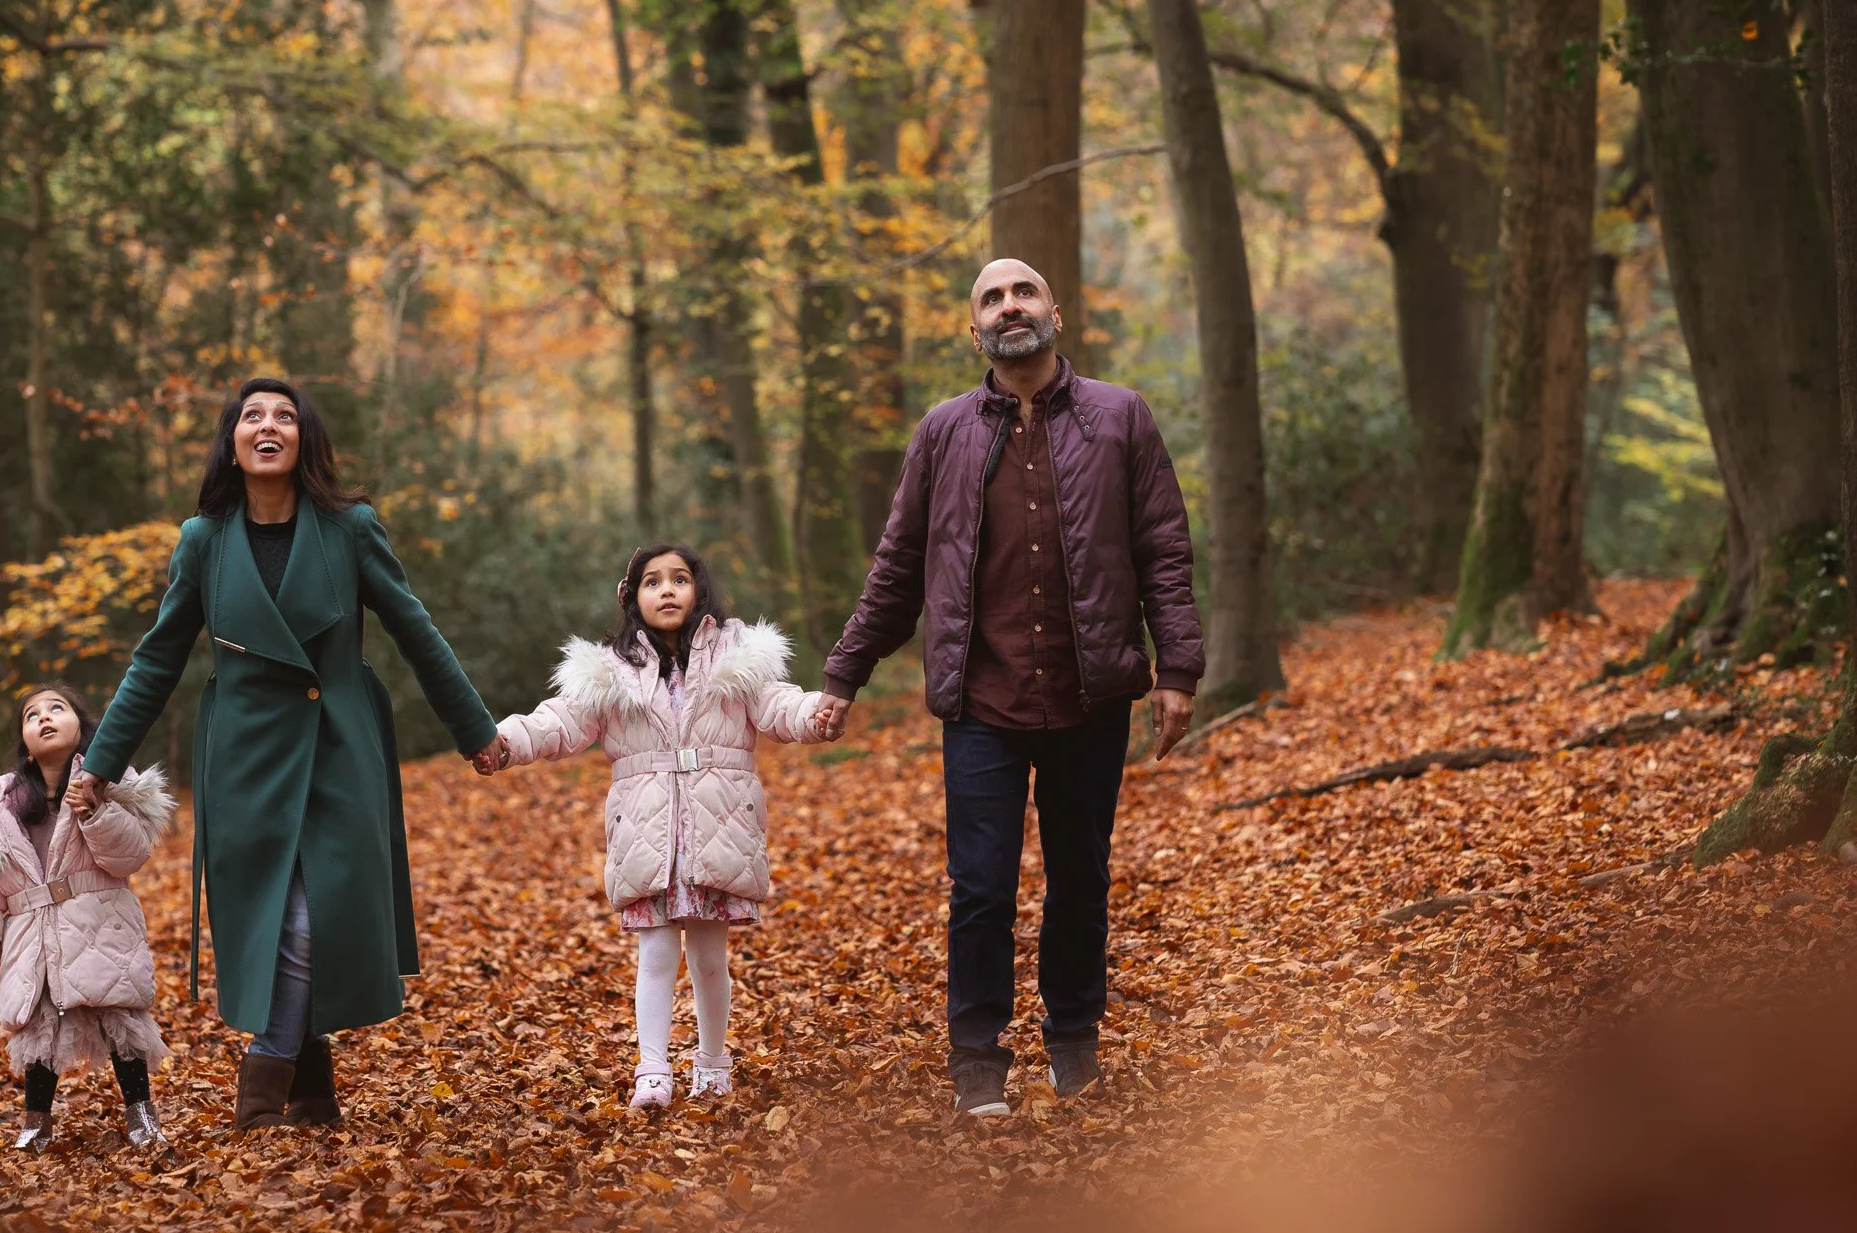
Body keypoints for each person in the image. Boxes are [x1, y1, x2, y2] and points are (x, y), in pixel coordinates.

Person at [814, 258, 1203, 1115]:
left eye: (1023, 291)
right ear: (975, 329)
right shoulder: (943, 432)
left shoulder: (1120, 416)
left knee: (1080, 879)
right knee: (982, 887)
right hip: (981, 701)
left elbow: (1162, 549)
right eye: (991, 297)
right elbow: (898, 568)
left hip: (1089, 695)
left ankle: (1074, 1044)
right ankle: (978, 1061)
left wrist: (1177, 666)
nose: (1009, 305)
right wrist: (845, 672)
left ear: (1055, 312)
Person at [70, 378, 502, 1131]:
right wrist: (100, 764)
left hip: (338, 747)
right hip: (244, 759)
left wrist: (475, 729)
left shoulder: (351, 529)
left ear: (305, 440)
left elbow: (415, 629)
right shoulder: (203, 540)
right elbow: (158, 658)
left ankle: (264, 1080)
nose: (269, 425)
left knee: (310, 918)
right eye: (252, 416)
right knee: (274, 917)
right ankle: (312, 1090)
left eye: (286, 416)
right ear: (232, 442)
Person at [479, 545, 828, 1111]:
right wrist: (504, 741)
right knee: (658, 953)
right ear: (632, 598)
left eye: (680, 579)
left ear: (700, 592)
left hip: (717, 828)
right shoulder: (610, 674)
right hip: (649, 834)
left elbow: (779, 706)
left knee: (710, 958)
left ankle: (714, 1062)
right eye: (652, 582)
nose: (667, 590)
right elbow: (559, 721)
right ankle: (653, 1067)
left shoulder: (737, 661)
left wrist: (817, 712)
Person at [0, 682, 176, 1151]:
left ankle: (141, 1114)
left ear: (83, 727)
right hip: (33, 930)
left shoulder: (110, 783)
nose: (44, 718)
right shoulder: (3, 805)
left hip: (100, 918)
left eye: (57, 708)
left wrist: (95, 812)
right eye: (32, 715)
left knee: (120, 1017)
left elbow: (129, 856)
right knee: (38, 1026)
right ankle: (36, 1122)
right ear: (24, 744)